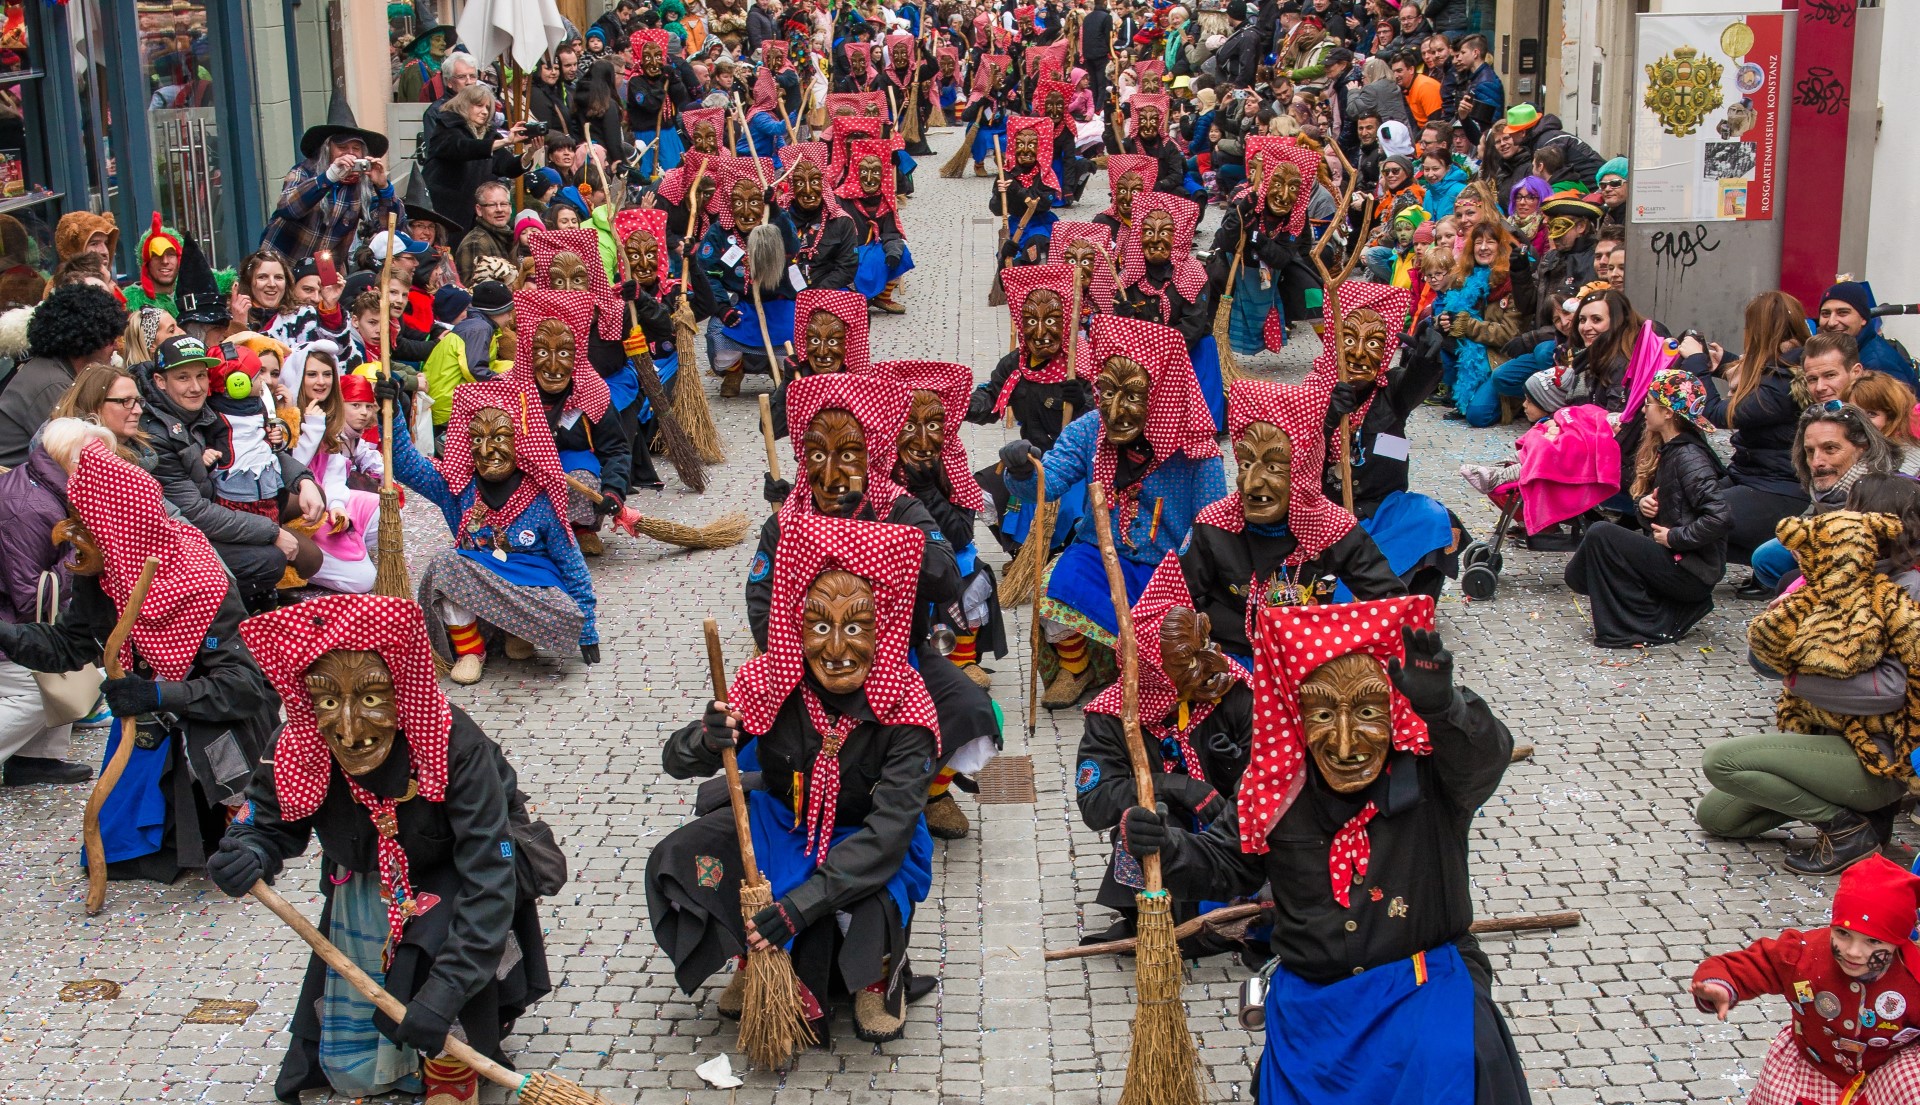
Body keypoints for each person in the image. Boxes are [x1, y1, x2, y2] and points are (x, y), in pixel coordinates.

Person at [1116, 597, 1529, 1104]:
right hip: (1317, 1003)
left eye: (1369, 713)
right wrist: (1165, 846)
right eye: (1324, 714)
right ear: (1296, 714)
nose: (1347, 743)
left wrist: (1444, 710)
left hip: (1420, 991)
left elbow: (1485, 761)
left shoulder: (1434, 774)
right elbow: (1225, 864)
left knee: (1454, 1063)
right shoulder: (1275, 787)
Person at [209, 593, 552, 1105]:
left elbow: (488, 876)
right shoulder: (299, 743)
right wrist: (248, 850)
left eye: (371, 698)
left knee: (433, 960)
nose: (348, 729)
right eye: (327, 702)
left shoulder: (456, 745)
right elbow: (268, 819)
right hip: (367, 879)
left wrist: (443, 995)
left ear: (402, 692)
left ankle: (451, 1069)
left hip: (454, 877)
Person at [646, 511, 938, 1045]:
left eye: (855, 627)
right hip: (783, 823)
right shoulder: (772, 682)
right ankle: (748, 957)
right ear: (795, 625)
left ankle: (875, 976)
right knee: (688, 853)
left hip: (864, 836)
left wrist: (800, 907)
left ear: (887, 624)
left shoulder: (907, 708)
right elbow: (675, 761)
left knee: (873, 887)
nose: (835, 650)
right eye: (820, 626)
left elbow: (889, 829)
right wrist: (706, 738)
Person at [0, 429, 271, 883]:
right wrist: (5, 636)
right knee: (121, 855)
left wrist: (156, 693)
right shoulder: (103, 574)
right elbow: (70, 646)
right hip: (144, 727)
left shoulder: (201, 579)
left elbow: (242, 689)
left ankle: (237, 816)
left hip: (212, 728)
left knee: (202, 851)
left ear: (115, 523)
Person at [1001, 315, 1225, 707]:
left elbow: (1211, 525)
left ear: (1161, 397)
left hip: (1167, 565)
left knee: (1168, 632)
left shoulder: (1194, 447)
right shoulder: (1090, 430)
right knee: (1056, 586)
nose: (1115, 409)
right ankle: (1077, 667)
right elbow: (1048, 482)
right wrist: (1023, 469)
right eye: (1106, 392)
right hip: (1097, 554)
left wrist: (1190, 578)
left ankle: (1147, 672)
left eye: (1133, 397)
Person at [1702, 474, 1920, 873]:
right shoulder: (1834, 580)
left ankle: (1847, 830)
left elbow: (1890, 689)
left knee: (1722, 762)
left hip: (1876, 754)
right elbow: (1766, 659)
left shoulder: (1908, 588)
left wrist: (1797, 676)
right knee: (1718, 817)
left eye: (1851, 506)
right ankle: (1856, 819)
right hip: (1825, 737)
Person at [383, 375, 599, 685]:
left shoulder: (541, 495)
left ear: (519, 442)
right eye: (476, 440)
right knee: (447, 564)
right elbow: (404, 464)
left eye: (499, 438)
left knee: (567, 615)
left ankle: (513, 631)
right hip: (475, 586)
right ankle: (471, 650)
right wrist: (393, 414)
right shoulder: (457, 486)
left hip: (529, 585)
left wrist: (587, 628)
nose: (487, 450)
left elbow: (571, 562)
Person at [1183, 380, 1404, 669]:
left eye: (1274, 467)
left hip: (1309, 673)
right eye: (1246, 463)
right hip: (1230, 671)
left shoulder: (1331, 528)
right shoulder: (1215, 525)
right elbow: (1171, 601)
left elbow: (1392, 606)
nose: (1251, 483)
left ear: (1303, 468)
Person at [1690, 856, 1920, 1101]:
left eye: (1873, 941)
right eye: (1842, 933)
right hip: (1814, 1061)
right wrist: (1722, 986)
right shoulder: (1803, 953)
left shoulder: (1913, 974)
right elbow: (1750, 965)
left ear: (1897, 942)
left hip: (1887, 1066)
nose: (1853, 951)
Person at [137, 335, 326, 608]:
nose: (195, 387)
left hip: (235, 500)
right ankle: (234, 611)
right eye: (182, 377)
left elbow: (257, 449)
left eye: (201, 376)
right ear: (160, 381)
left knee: (312, 504)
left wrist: (304, 480)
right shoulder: (157, 433)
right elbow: (196, 514)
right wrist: (271, 533)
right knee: (272, 560)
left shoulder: (209, 403)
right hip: (183, 537)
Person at [1564, 369, 1729, 648]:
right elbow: (1657, 509)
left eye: (1649, 402)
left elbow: (1720, 517)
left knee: (1601, 533)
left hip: (1691, 571)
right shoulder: (1670, 450)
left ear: (1667, 413)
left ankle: (1649, 617)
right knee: (1598, 545)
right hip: (1676, 557)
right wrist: (1645, 507)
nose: (1643, 409)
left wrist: (1675, 537)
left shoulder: (1690, 458)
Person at [1680, 291, 1812, 583]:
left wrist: (1697, 364)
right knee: (1681, 501)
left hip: (1776, 488)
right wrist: (1722, 362)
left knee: (1699, 515)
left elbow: (1717, 413)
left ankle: (1767, 562)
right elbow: (1757, 375)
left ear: (1759, 330)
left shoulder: (1783, 383)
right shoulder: (1787, 365)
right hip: (1752, 475)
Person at [0, 416, 94, 787]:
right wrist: (84, 559)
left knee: (70, 653)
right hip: (10, 620)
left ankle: (35, 759)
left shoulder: (50, 489)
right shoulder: (31, 506)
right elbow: (31, 597)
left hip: (15, 613)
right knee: (38, 689)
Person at [1744, 403, 1901, 596]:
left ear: (1862, 447)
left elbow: (1875, 561)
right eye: (1810, 451)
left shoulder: (1883, 491)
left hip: (1880, 576)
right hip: (1832, 556)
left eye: (1830, 449)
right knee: (1768, 557)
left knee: (1789, 580)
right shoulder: (1832, 483)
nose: (1817, 461)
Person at [263, 96, 404, 264]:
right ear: (328, 150)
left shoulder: (365, 185)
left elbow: (390, 230)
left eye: (356, 148)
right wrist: (329, 178)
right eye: (342, 148)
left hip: (322, 273)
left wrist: (383, 187)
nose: (350, 154)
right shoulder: (304, 172)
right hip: (281, 263)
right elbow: (287, 208)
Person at [0, 284, 125, 468]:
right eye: (110, 339)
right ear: (87, 340)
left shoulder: (52, 370)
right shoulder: (53, 384)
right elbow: (80, 455)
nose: (116, 346)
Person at [778, 142, 860, 292]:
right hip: (786, 296)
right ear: (792, 187)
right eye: (800, 183)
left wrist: (818, 293)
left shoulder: (842, 221)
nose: (808, 191)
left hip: (828, 292)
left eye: (815, 182)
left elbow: (847, 267)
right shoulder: (779, 220)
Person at [1817, 281, 1917, 391]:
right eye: (1826, 314)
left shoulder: (1878, 365)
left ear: (1863, 319)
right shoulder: (1847, 349)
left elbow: (1895, 407)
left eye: (1842, 313)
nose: (1831, 322)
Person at [1846, 372, 1920, 474]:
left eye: (1871, 413)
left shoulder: (1908, 461)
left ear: (1893, 418)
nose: (1860, 420)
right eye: (1853, 412)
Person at [453, 182, 523, 286]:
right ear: (479, 210)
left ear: (510, 207)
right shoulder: (476, 242)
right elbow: (473, 289)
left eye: (503, 204)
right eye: (492, 205)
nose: (499, 209)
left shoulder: (510, 237)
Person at [1802, 330, 1866, 406]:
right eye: (1813, 379)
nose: (1819, 387)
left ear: (1856, 372)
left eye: (1830, 375)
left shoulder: (1877, 415)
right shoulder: (1810, 416)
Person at [1389, 49, 1440, 129]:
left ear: (1411, 70)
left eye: (1399, 71)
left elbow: (1436, 122)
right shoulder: (1406, 88)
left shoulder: (1425, 86)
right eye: (1393, 72)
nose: (1395, 76)